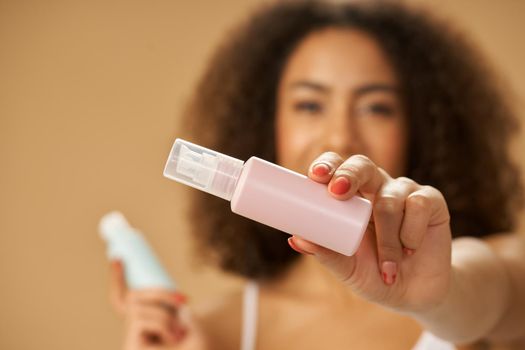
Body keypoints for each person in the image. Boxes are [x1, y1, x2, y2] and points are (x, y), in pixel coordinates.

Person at [108, 1, 525, 349]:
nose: (340, 136)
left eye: (376, 107)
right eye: (309, 105)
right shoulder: (215, 331)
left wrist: (437, 298)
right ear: (266, 128)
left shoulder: (490, 272)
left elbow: (483, 295)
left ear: (423, 130)